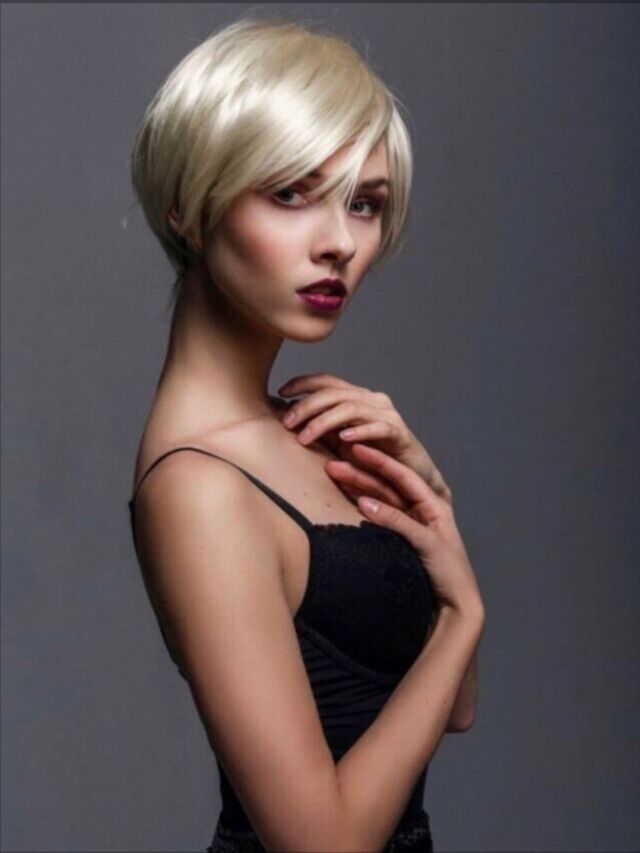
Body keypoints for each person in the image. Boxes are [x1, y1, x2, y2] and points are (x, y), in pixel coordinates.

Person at [127, 14, 485, 853]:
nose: (339, 244)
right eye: (290, 193)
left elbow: (455, 704)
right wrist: (465, 614)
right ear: (188, 206)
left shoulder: (311, 432)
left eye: (365, 204)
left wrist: (433, 506)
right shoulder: (197, 486)